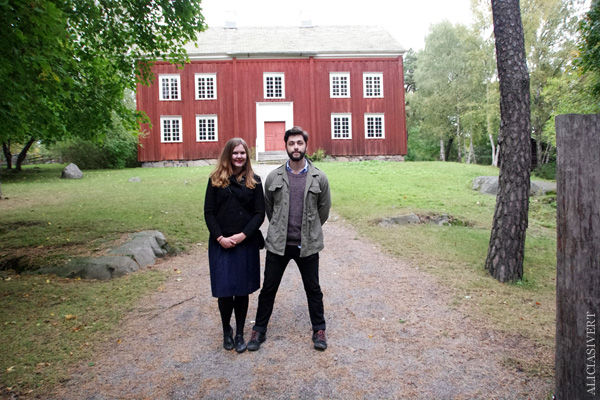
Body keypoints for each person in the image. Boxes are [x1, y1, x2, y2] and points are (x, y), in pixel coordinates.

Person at [247, 126, 331, 351]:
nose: (296, 147)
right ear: (286, 146)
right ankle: (259, 330)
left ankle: (319, 329)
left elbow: (323, 210)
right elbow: (270, 209)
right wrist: (280, 229)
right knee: (268, 289)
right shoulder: (274, 177)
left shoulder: (319, 177)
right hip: (279, 244)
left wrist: (309, 230)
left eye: (300, 143)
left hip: (307, 245)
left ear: (305, 146)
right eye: (292, 143)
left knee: (313, 289)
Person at [204, 138, 265, 353]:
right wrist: (220, 237)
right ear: (228, 155)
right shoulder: (215, 180)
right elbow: (209, 212)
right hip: (221, 243)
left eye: (242, 153)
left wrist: (242, 236)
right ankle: (225, 329)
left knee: (241, 290)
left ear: (247, 156)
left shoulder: (254, 181)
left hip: (244, 243)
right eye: (235, 153)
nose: (239, 157)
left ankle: (239, 332)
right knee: (224, 290)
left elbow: (259, 214)